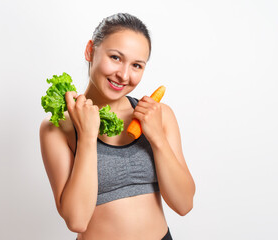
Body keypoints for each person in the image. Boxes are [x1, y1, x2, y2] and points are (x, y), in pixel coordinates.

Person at [39, 13, 195, 240]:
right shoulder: (57, 126)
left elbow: (184, 204)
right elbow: (77, 219)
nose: (123, 75)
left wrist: (158, 139)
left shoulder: (158, 115)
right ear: (90, 50)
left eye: (137, 65)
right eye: (115, 57)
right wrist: (87, 137)